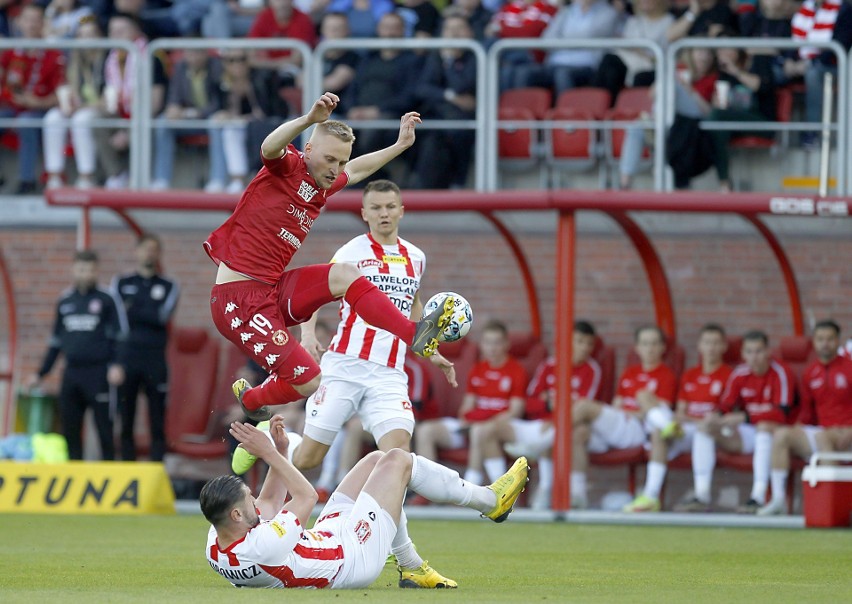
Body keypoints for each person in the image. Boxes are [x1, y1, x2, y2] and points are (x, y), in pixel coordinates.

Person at [231, 179, 459, 587]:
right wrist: (307, 335)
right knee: (309, 459)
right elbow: (320, 290)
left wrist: (432, 351)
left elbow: (416, 307)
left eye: (391, 206)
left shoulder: (416, 258)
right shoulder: (353, 251)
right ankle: (265, 495)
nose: (385, 213)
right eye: (377, 207)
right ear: (365, 213)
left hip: (389, 372)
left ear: (402, 210)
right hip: (344, 367)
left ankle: (409, 563)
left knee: (397, 459)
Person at [204, 91, 457, 424]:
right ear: (308, 150)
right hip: (237, 301)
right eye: (330, 160)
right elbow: (268, 147)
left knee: (345, 274)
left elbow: (356, 169)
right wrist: (309, 119)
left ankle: (413, 334)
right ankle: (251, 400)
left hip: (271, 291)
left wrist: (400, 147)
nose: (335, 169)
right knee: (309, 380)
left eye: (340, 161)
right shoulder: (289, 166)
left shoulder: (321, 184)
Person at [202, 414, 530, 589]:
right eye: (248, 500)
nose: (255, 502)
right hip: (351, 561)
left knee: (376, 459)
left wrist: (281, 449)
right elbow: (306, 495)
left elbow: (271, 501)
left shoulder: (217, 541)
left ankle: (412, 568)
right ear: (235, 514)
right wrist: (271, 454)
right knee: (397, 461)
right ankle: (490, 501)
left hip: (326, 540)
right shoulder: (262, 546)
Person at [477, 320, 603, 510]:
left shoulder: (592, 370)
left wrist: (555, 417)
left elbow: (582, 410)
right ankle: (501, 494)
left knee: (578, 431)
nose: (584, 348)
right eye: (579, 341)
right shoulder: (549, 365)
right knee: (488, 430)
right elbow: (530, 403)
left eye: (588, 343)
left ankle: (574, 495)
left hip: (568, 428)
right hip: (540, 427)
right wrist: (547, 403)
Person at [28, 250, 127, 461]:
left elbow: (120, 336)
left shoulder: (107, 298)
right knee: (70, 428)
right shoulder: (65, 301)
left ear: (96, 271)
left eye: (90, 269)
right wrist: (41, 373)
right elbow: (55, 343)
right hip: (72, 372)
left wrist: (116, 364)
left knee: (104, 428)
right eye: (81, 269)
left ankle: (109, 472)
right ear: (74, 270)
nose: (86, 274)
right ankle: (75, 472)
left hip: (99, 372)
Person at [624, 323, 733, 513]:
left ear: (724, 346)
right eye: (707, 342)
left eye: (716, 343)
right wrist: (684, 420)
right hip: (687, 428)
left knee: (703, 430)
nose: (711, 348)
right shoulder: (690, 374)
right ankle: (650, 496)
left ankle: (702, 494)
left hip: (714, 432)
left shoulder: (730, 375)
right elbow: (681, 411)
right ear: (699, 346)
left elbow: (727, 412)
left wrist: (698, 420)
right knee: (659, 433)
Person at [571, 325, 678, 509]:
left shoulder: (667, 375)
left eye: (654, 344)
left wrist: (629, 413)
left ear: (662, 348)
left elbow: (659, 412)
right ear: (637, 348)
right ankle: (578, 497)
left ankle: (547, 439)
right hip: (619, 426)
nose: (650, 348)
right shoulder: (629, 373)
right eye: (645, 344)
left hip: (637, 429)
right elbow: (616, 406)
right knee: (578, 432)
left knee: (583, 406)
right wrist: (626, 412)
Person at [693, 330, 797, 514]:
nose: (754, 357)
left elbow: (782, 413)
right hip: (748, 433)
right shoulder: (740, 373)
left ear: (768, 352)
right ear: (742, 354)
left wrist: (745, 418)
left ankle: (757, 496)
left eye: (758, 351)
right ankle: (702, 495)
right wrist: (715, 417)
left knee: (764, 428)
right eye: (749, 352)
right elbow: (726, 405)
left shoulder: (781, 372)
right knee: (705, 429)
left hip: (778, 434)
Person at [414, 320, 528, 485]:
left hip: (496, 428)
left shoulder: (516, 370)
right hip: (472, 426)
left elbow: (515, 411)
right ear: (482, 345)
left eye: (497, 343)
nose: (492, 348)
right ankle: (429, 488)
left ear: (506, 344)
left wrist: (486, 424)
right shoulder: (477, 369)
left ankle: (470, 484)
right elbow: (467, 406)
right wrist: (466, 419)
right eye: (488, 343)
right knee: (426, 430)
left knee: (479, 431)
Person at [758, 320, 852, 515]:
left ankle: (834, 507)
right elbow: (807, 414)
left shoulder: (849, 368)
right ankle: (778, 500)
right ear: (814, 342)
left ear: (838, 341)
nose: (825, 343)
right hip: (824, 432)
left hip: (847, 431)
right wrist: (793, 427)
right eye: (820, 339)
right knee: (782, 435)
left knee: (824, 438)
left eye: (830, 339)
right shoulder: (810, 372)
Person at [111, 234, 180, 462]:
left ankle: (156, 468)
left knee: (157, 417)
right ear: (136, 252)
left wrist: (134, 308)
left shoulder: (169, 285)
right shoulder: (121, 282)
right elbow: (118, 315)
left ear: (158, 254)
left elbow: (161, 316)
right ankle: (128, 468)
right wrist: (145, 309)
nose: (148, 254)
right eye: (144, 249)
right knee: (126, 416)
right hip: (128, 358)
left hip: (155, 359)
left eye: (153, 250)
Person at [94, 12, 168, 190]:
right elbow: (106, 97)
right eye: (112, 32)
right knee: (96, 120)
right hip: (119, 113)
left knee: (146, 126)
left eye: (121, 31)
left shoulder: (151, 57)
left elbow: (155, 103)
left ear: (136, 32)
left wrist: (128, 130)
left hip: (143, 116)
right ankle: (116, 175)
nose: (115, 36)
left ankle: (140, 178)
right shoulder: (107, 58)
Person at [0, 4, 65, 194]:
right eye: (27, 19)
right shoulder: (10, 49)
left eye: (36, 20)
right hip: (9, 105)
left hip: (39, 108)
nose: (31, 25)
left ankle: (26, 181)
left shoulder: (54, 52)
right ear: (18, 22)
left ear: (43, 23)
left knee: (27, 122)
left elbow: (62, 93)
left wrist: (37, 102)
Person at [410, 11, 479, 189]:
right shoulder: (436, 55)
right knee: (425, 136)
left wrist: (448, 62)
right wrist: (451, 96)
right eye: (449, 29)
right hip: (436, 114)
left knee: (453, 133)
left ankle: (457, 182)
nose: (453, 34)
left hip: (465, 119)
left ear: (470, 32)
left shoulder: (477, 56)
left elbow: (462, 85)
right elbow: (422, 89)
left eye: (459, 29)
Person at [150, 47, 228, 192]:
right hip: (188, 119)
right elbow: (174, 96)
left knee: (215, 124)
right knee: (162, 122)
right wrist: (172, 107)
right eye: (190, 53)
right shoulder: (180, 67)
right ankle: (161, 179)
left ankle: (218, 180)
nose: (194, 57)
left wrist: (192, 113)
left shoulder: (216, 67)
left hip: (209, 117)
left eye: (198, 52)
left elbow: (219, 103)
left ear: (206, 53)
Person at [42, 14, 106, 190]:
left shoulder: (108, 58)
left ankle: (87, 176)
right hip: (81, 107)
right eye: (82, 35)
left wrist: (81, 107)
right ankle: (54, 175)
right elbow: (69, 88)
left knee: (81, 120)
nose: (86, 40)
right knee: (53, 118)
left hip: (99, 108)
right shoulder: (74, 60)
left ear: (100, 37)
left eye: (91, 35)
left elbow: (109, 99)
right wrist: (68, 103)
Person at [511, 0, 620, 97]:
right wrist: (575, 43)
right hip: (555, 63)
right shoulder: (566, 11)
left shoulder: (608, 12)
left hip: (585, 65)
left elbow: (592, 33)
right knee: (524, 72)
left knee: (562, 74)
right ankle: (516, 117)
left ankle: (565, 117)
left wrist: (563, 41)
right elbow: (546, 38)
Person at [781, 0, 852, 148]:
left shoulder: (844, 9)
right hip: (801, 64)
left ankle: (812, 133)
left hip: (831, 67)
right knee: (772, 73)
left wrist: (809, 64)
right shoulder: (805, 8)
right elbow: (795, 39)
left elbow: (840, 45)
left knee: (813, 75)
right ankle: (761, 129)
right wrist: (789, 60)